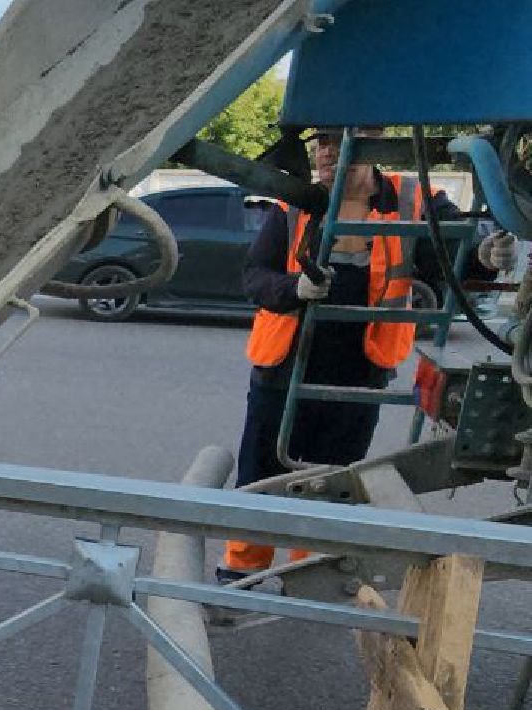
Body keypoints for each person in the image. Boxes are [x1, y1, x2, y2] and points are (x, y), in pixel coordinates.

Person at [221, 126, 516, 583]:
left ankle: (307, 572)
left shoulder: (412, 199)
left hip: (361, 369)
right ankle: (241, 570)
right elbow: (254, 277)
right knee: (262, 471)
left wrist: (485, 254)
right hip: (284, 365)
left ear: (372, 148)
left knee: (334, 477)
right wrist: (293, 289)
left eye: (339, 145)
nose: (325, 155)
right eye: (320, 145)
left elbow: (454, 252)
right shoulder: (295, 202)